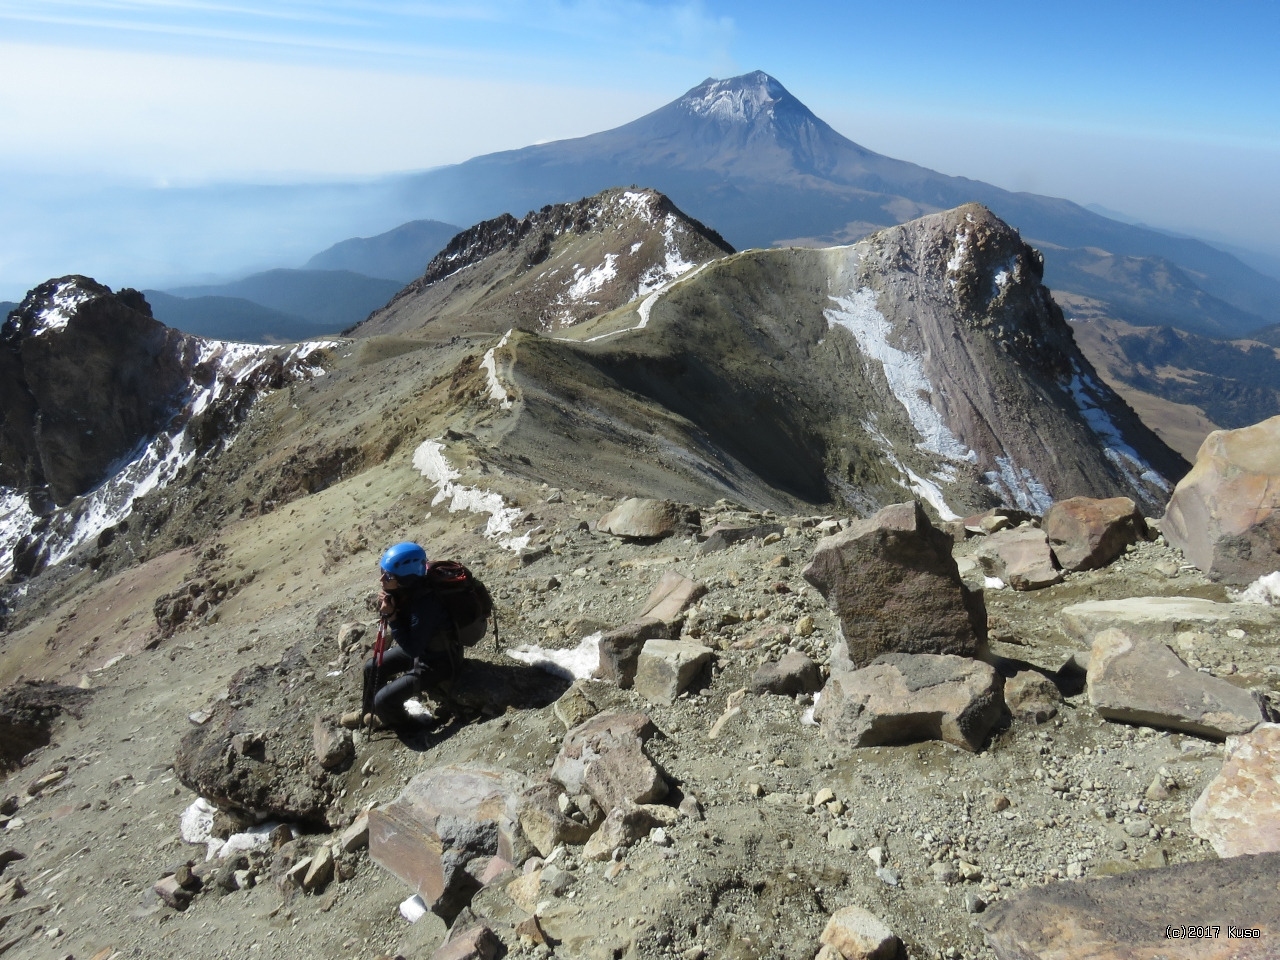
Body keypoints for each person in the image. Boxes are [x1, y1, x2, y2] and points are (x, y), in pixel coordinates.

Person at [363, 541, 457, 733]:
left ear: (405, 578)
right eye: (382, 572)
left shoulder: (425, 604)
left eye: (387, 575)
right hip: (424, 649)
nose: (382, 579)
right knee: (371, 667)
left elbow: (412, 648)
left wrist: (393, 617)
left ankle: (410, 729)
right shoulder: (407, 590)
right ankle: (370, 714)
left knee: (383, 699)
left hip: (439, 661)